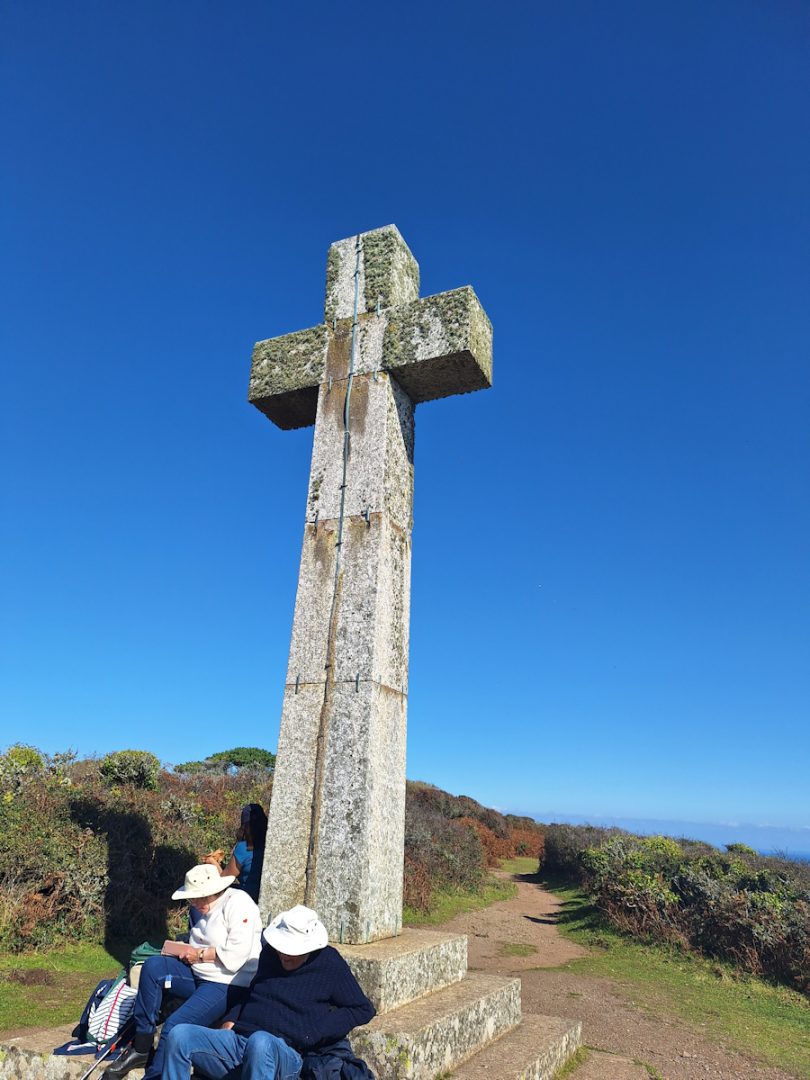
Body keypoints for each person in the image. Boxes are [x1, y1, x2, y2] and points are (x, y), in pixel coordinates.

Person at [161, 904, 376, 1080]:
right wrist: (232, 1017)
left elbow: (362, 1009)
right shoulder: (270, 954)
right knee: (180, 1034)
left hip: (284, 1056)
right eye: (282, 949)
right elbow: (255, 989)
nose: (284, 956)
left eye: (291, 952)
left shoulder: (329, 963)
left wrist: (316, 1031)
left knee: (261, 1042)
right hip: (241, 1044)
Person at [104, 863, 262, 1079]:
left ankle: (155, 1074)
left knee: (174, 1026)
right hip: (198, 972)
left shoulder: (239, 903)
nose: (195, 903)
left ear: (215, 891)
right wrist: (183, 951)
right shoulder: (197, 910)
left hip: (228, 982)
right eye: (192, 898)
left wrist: (199, 955)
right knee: (153, 967)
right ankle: (142, 1045)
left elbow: (235, 956)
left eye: (200, 897)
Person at [204, 803, 267, 902]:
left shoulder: (243, 848)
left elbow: (223, 881)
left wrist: (213, 862)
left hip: (246, 899)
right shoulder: (268, 846)